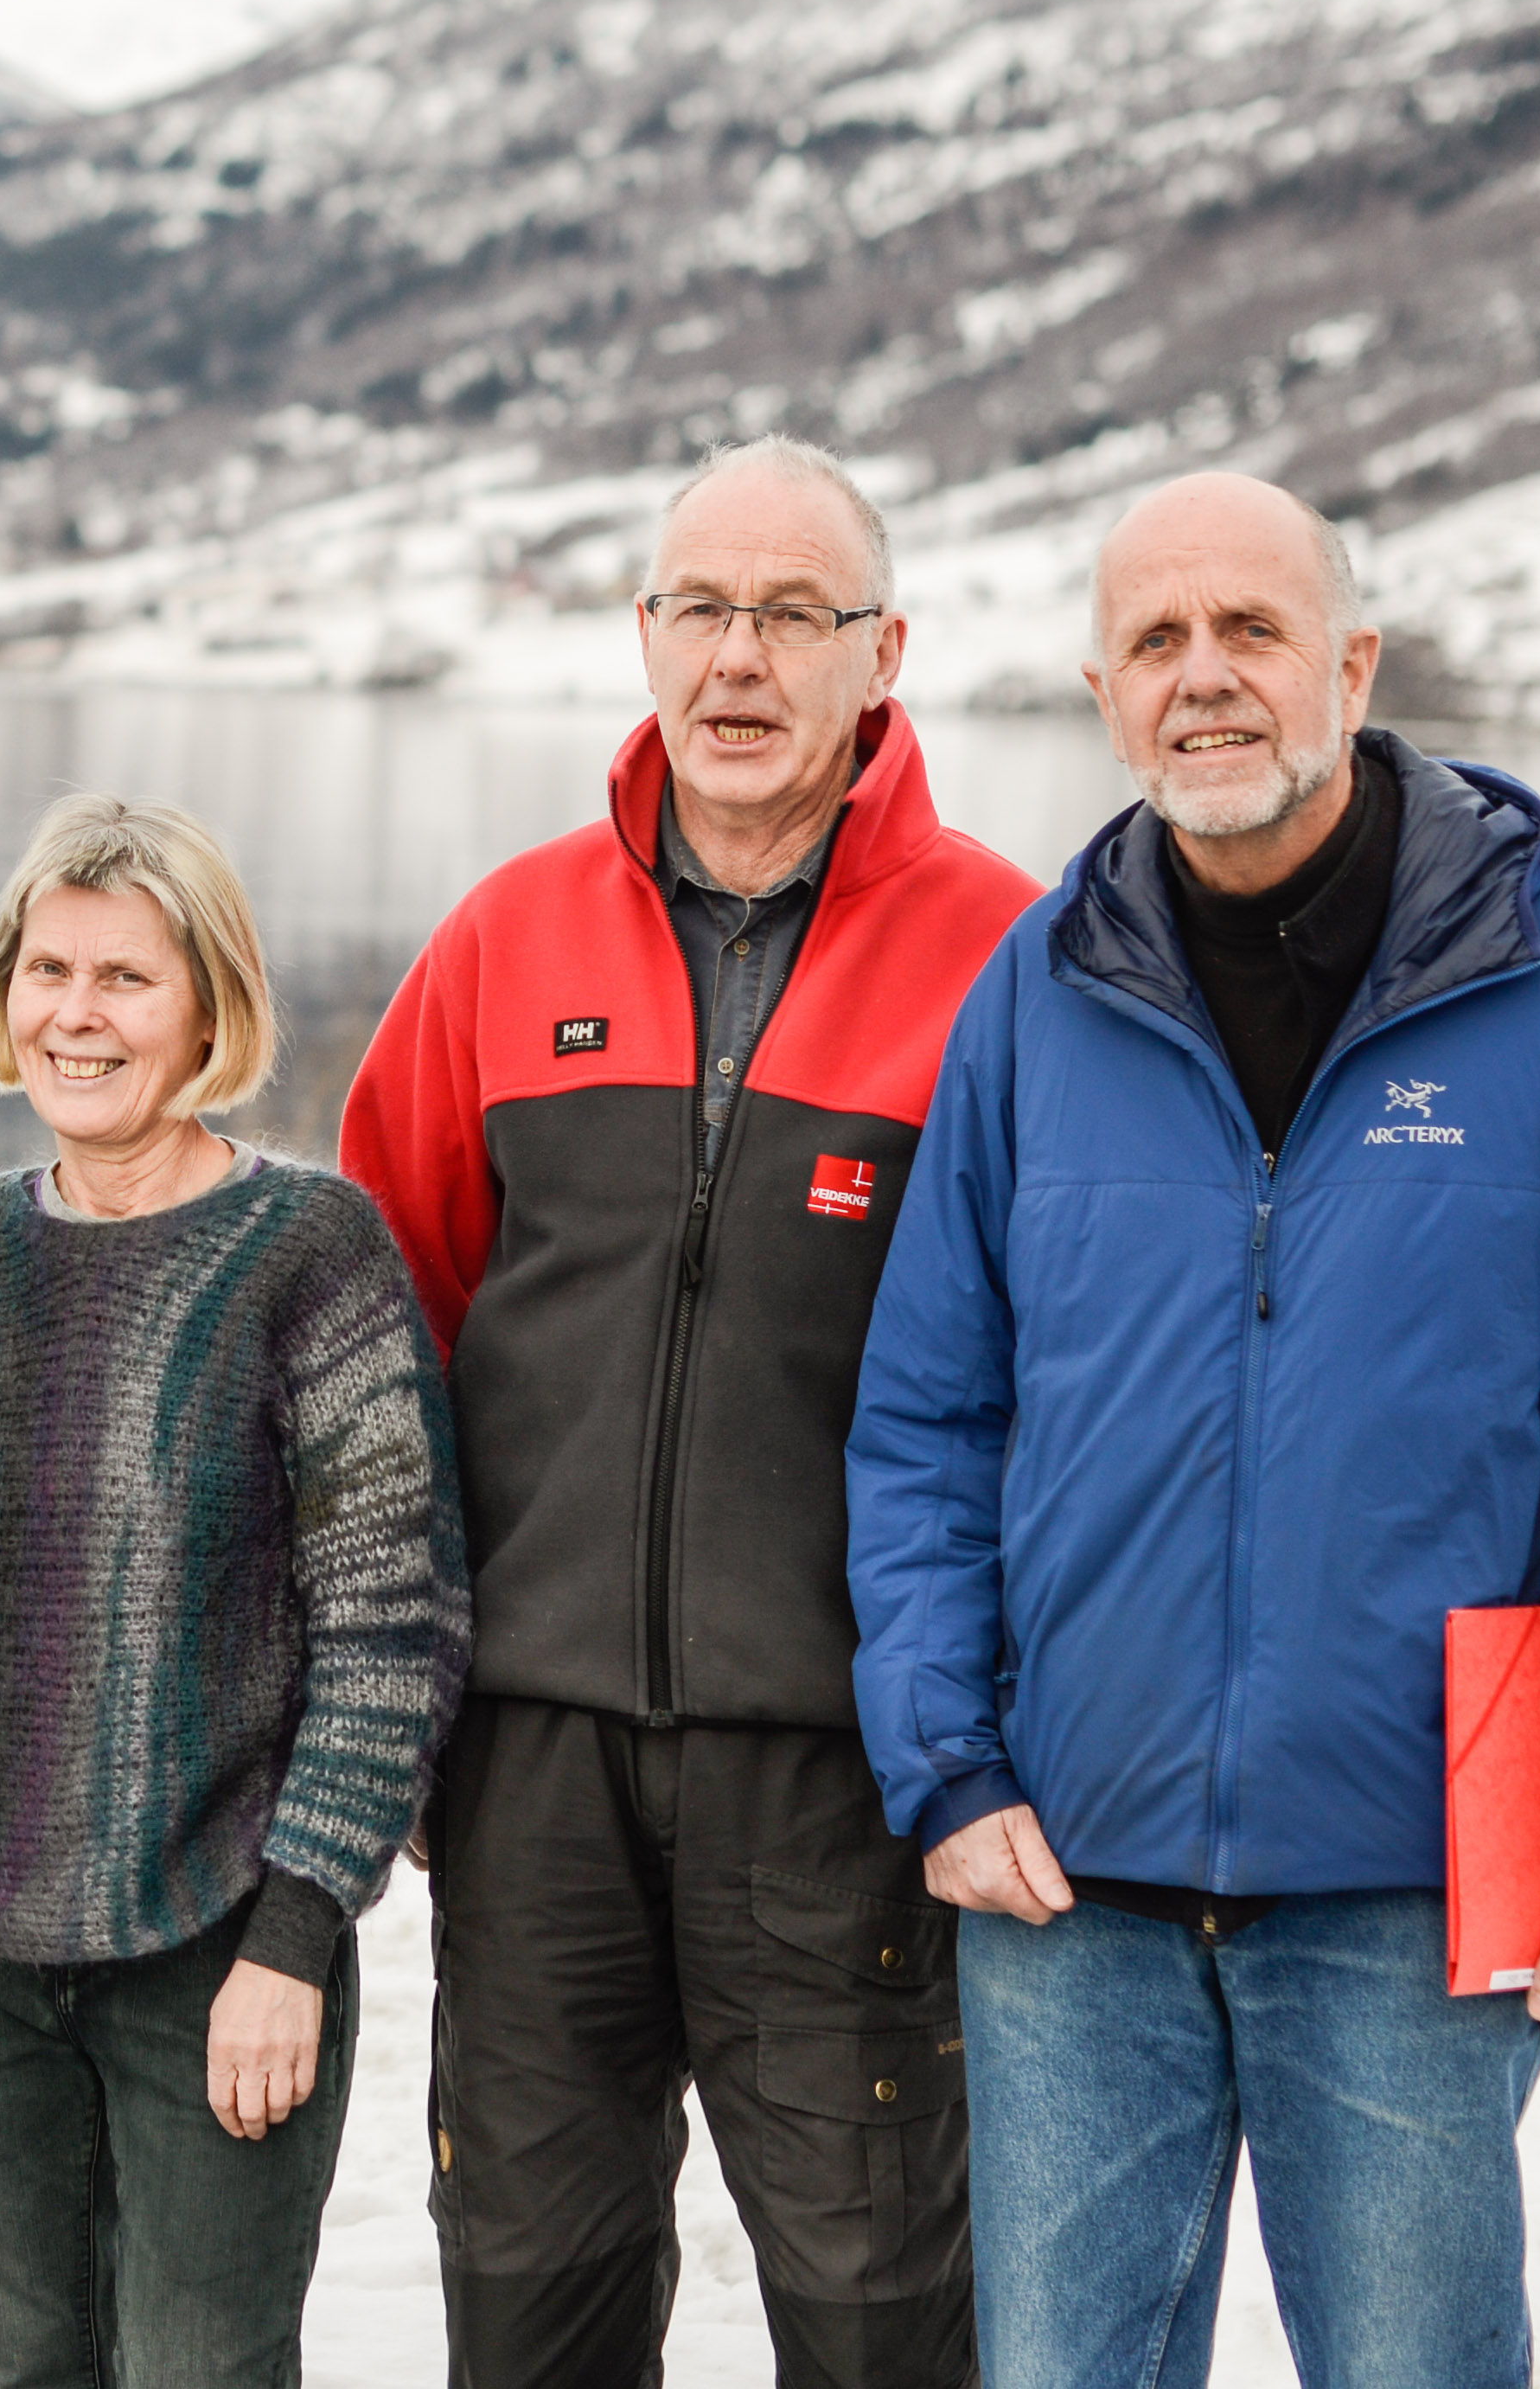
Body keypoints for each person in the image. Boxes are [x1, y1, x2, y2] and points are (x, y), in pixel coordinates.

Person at [846, 472, 1540, 2389]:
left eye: (1250, 631)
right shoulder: (1037, 988)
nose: (1205, 680)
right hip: (1064, 1885)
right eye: (1157, 643)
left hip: (1418, 1883)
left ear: (1352, 663)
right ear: (1102, 691)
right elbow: (931, 1414)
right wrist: (943, 1763)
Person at [341, 438, 1038, 2388]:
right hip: (532, 1767)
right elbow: (387, 1330)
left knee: (882, 2312)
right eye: (702, 611)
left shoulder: (1010, 953)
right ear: (645, 637)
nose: (740, 660)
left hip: (844, 1772)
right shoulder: (504, 937)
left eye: (793, 615)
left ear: (882, 652)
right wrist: (399, 1701)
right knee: (529, 2300)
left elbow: (1064, 1373)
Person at [0, 794, 468, 2389]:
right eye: (47, 971)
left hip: (218, 1942)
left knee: (203, 2368)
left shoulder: (309, 1253)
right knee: (22, 2360)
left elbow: (394, 1635)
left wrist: (300, 1935)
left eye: (125, 977)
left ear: (208, 1011)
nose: (76, 1014)